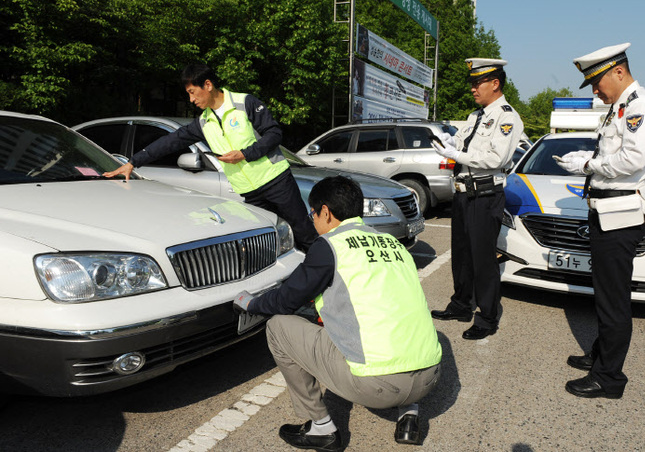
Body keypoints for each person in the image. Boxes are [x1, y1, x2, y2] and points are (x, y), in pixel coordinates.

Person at [233, 176, 442, 450]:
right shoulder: (394, 244)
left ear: (326, 212)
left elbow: (285, 301)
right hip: (429, 379)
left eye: (312, 214)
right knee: (396, 320)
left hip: (379, 387)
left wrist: (250, 303)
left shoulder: (330, 246)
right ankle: (409, 413)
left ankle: (320, 428)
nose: (312, 220)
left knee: (278, 327)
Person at [103, 64, 317, 252]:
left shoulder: (245, 103)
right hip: (250, 193)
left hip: (276, 180)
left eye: (192, 92)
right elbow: (171, 141)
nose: (191, 99)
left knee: (302, 231)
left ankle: (327, 281)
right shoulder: (203, 122)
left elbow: (274, 134)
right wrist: (133, 162)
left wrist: (245, 154)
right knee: (272, 242)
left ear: (207, 85)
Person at [556, 43, 645, 399]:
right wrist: (589, 159)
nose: (595, 90)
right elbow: (614, 155)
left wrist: (586, 165)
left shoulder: (642, 106)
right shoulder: (620, 108)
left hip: (620, 216)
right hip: (607, 212)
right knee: (604, 295)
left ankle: (609, 379)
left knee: (613, 300)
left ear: (619, 71)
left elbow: (632, 159)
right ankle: (602, 357)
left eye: (597, 82)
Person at [429, 58, 524, 340]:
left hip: (484, 195)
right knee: (461, 256)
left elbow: (496, 158)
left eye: (477, 83)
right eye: (471, 83)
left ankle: (487, 316)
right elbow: (461, 143)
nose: (472, 88)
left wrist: (456, 155)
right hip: (462, 194)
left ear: (495, 84)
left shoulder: (507, 117)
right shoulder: (475, 116)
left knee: (483, 260)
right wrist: (449, 144)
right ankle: (460, 304)